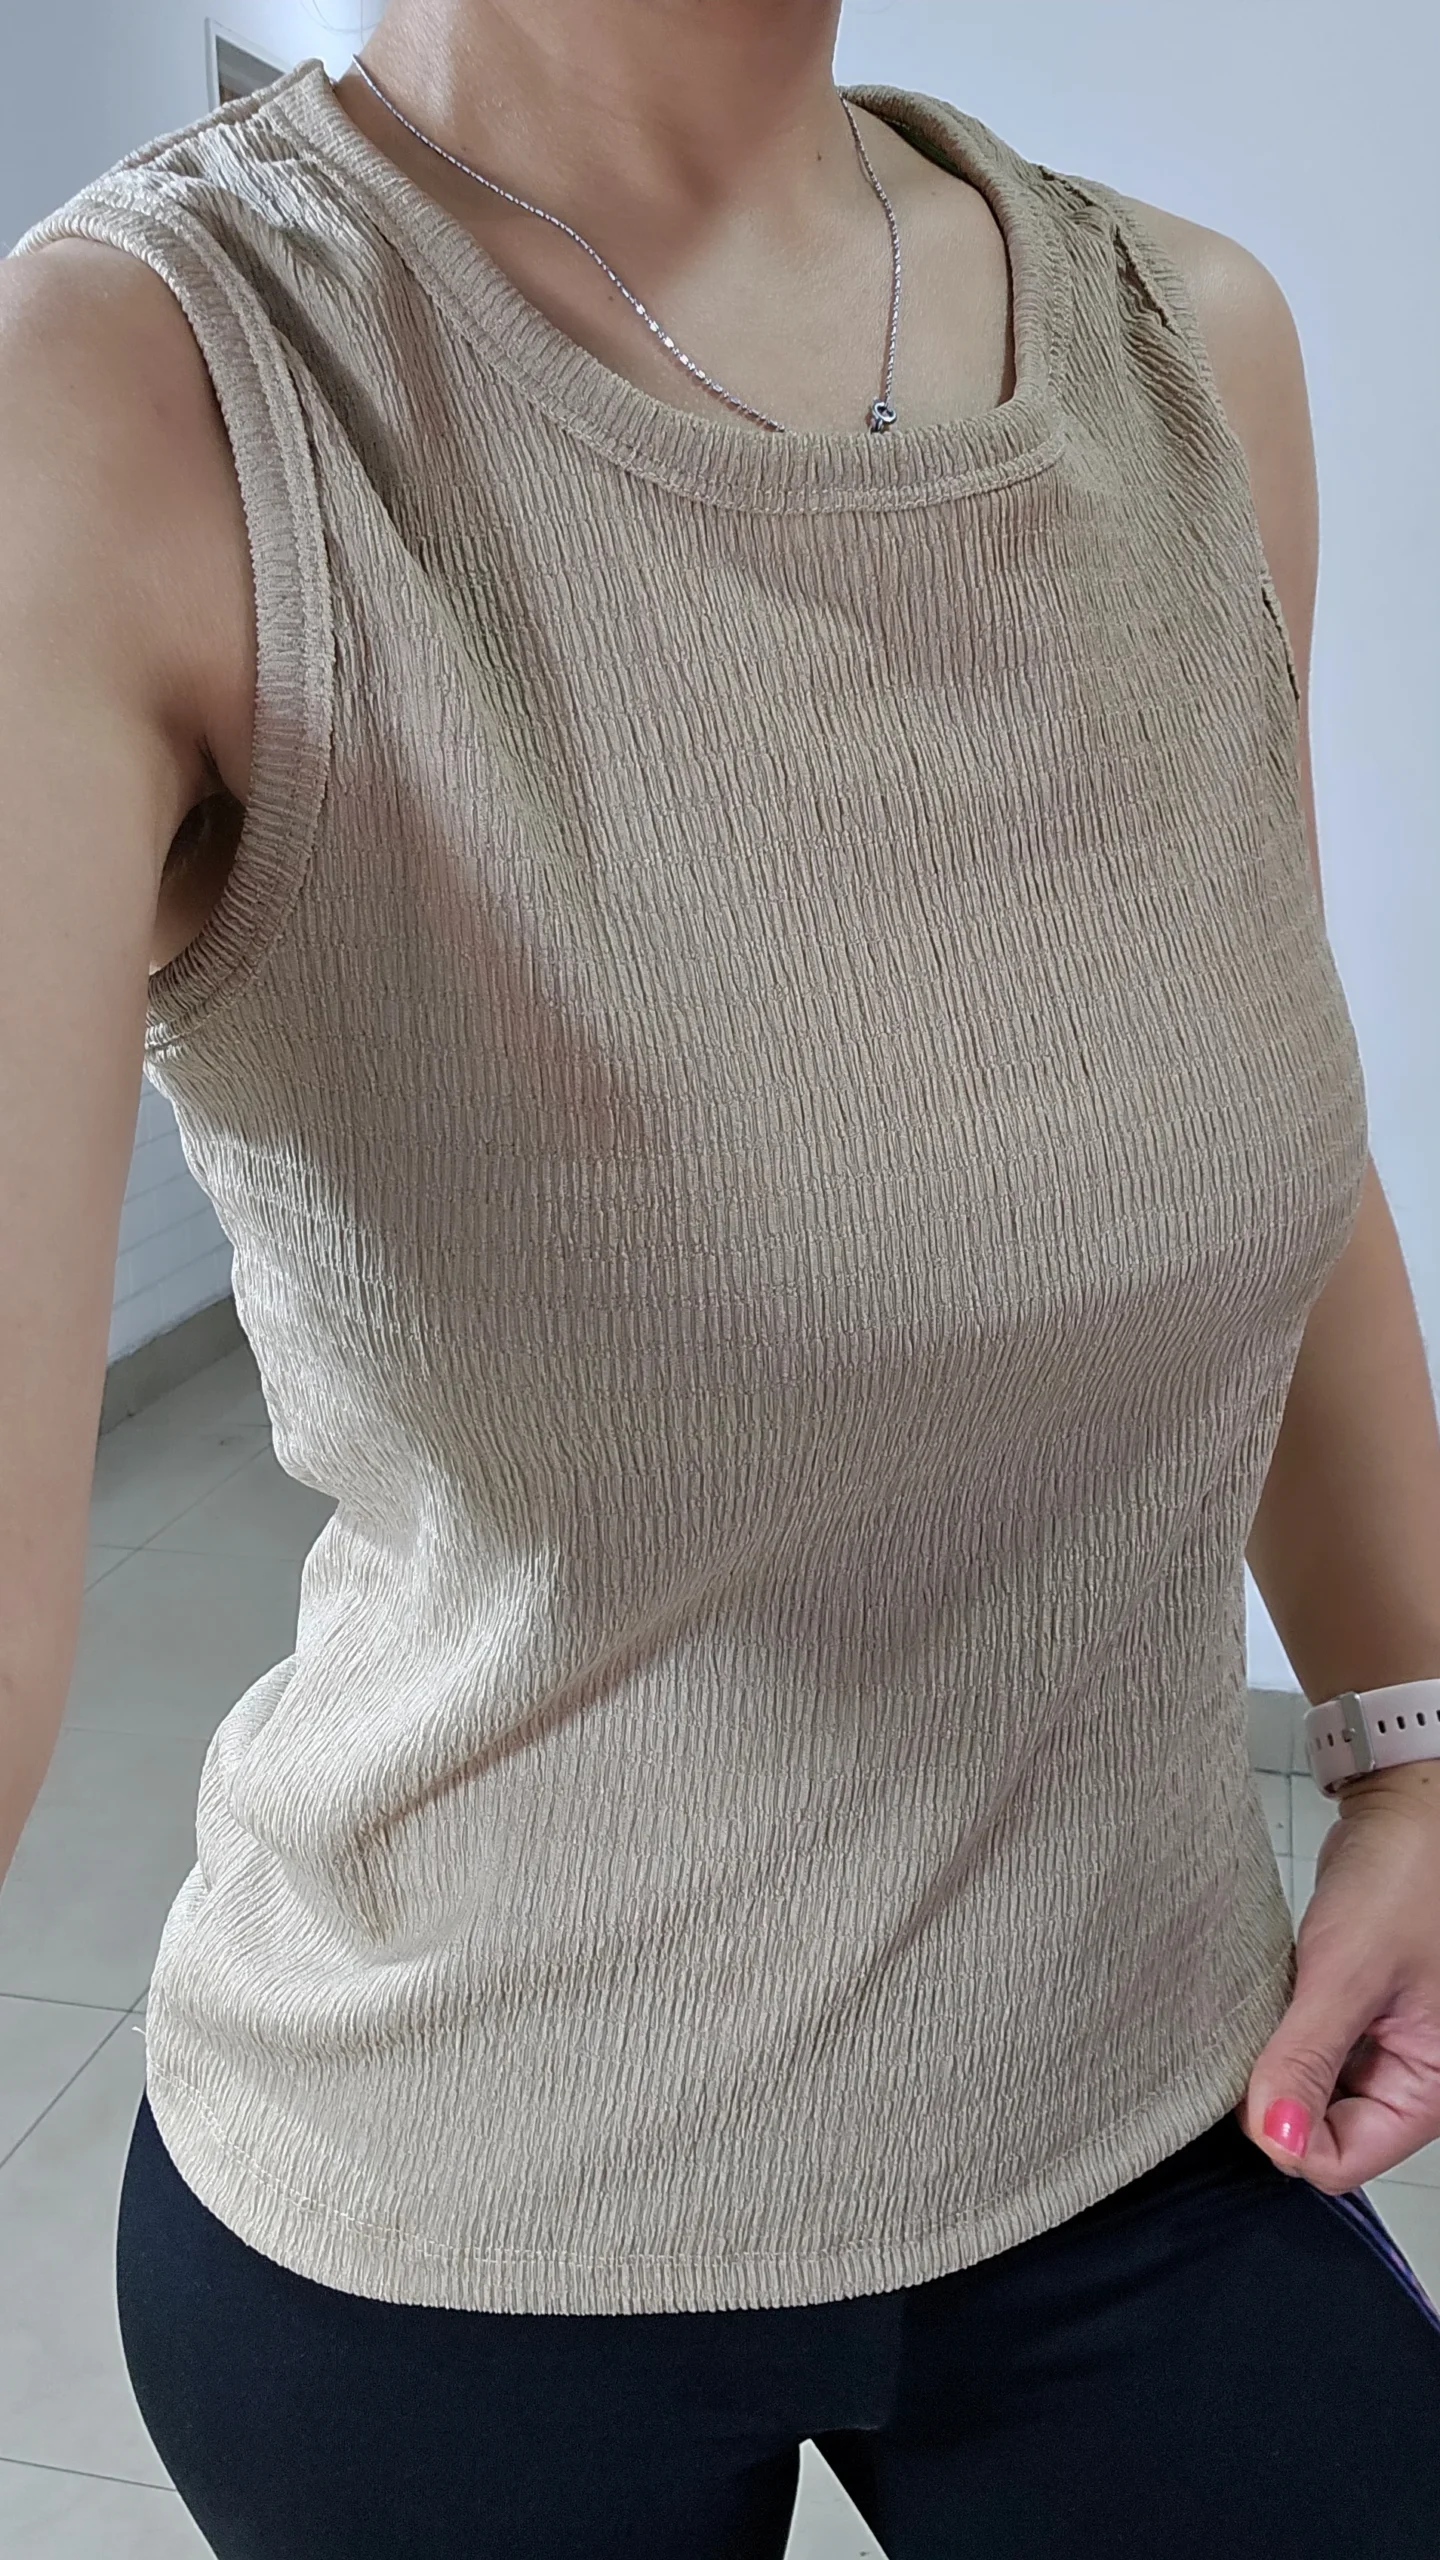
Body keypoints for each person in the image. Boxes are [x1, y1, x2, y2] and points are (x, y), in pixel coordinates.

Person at [2, 1, 1439, 2551]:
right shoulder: (138, 397)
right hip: (461, 2210)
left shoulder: (1186, 351)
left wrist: (1413, 1735)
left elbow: (1256, 1123)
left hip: (1154, 2087)